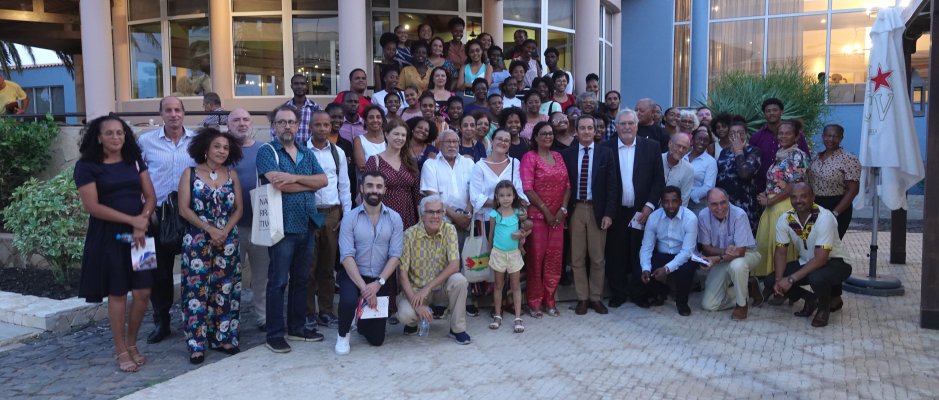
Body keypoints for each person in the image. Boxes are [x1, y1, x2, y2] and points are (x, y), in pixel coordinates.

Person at [75, 115, 156, 372]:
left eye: (120, 133)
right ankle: (120, 349)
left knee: (143, 292)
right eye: (109, 133)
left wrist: (141, 221)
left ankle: (132, 343)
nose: (115, 137)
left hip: (141, 236)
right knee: (118, 292)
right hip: (109, 237)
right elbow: (93, 206)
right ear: (98, 137)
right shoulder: (87, 166)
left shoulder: (134, 160)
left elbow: (151, 196)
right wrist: (133, 220)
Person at [256, 105, 329, 353]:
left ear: (298, 125)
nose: (287, 126)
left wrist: (295, 178)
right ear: (274, 126)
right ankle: (274, 333)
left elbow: (323, 181)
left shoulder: (307, 153)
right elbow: (278, 184)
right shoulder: (267, 151)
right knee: (278, 282)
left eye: (291, 122)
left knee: (301, 279)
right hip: (281, 227)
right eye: (281, 122)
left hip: (307, 224)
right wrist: (306, 184)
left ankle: (297, 328)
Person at [177, 127, 244, 364]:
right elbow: (183, 208)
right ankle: (197, 343)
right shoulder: (190, 173)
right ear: (205, 148)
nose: (222, 151)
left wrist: (224, 231)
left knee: (225, 289)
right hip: (197, 241)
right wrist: (210, 229)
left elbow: (239, 209)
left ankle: (224, 337)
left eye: (226, 147)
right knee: (197, 291)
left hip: (227, 241)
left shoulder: (232, 175)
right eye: (217, 146)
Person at [137, 96, 197, 344]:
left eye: (177, 110)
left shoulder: (196, 140)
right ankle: (161, 321)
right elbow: (135, 175)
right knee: (151, 272)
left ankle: (195, 319)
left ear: (184, 113)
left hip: (188, 215)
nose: (173, 114)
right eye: (168, 110)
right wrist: (144, 209)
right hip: (153, 215)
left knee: (194, 270)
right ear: (161, 113)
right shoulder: (145, 141)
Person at [335, 171, 403, 354]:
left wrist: (377, 284)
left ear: (385, 190)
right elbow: (346, 256)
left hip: (379, 279)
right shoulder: (350, 217)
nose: (375, 190)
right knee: (349, 300)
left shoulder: (395, 218)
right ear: (362, 188)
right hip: (354, 275)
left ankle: (361, 322)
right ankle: (343, 334)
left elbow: (395, 255)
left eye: (379, 186)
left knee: (377, 340)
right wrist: (364, 288)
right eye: (370, 186)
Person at [766, 183, 853, 327]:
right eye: (794, 197)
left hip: (836, 262)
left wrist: (791, 279)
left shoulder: (825, 217)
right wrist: (779, 280)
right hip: (807, 262)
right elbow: (781, 252)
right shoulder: (785, 219)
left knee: (816, 278)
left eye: (803, 196)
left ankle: (823, 309)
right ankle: (810, 299)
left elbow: (821, 259)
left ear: (813, 197)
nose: (798, 200)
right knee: (770, 280)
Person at [602, 109, 664, 308]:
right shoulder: (605, 147)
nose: (627, 127)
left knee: (640, 253)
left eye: (631, 123)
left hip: (642, 212)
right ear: (617, 126)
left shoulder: (652, 147)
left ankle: (639, 293)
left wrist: (649, 206)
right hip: (616, 212)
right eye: (623, 124)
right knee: (615, 254)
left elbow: (658, 181)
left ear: (637, 125)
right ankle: (618, 293)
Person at [562, 115, 618, 315]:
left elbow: (613, 186)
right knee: (577, 257)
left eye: (590, 128)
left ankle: (595, 298)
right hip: (576, 209)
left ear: (596, 131)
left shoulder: (606, 153)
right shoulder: (567, 154)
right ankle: (582, 298)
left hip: (597, 209)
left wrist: (609, 213)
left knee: (597, 257)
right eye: (582, 128)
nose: (586, 132)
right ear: (576, 131)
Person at [397, 196, 471, 344]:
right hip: (417, 291)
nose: (436, 216)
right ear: (422, 214)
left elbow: (455, 265)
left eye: (439, 212)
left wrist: (428, 287)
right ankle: (413, 323)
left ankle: (457, 329)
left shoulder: (449, 230)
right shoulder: (409, 235)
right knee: (406, 314)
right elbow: (402, 275)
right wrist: (416, 304)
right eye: (431, 212)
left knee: (460, 281)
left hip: (440, 288)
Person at [304, 111, 353, 330]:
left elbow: (344, 185)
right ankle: (308, 313)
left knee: (327, 265)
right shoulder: (301, 151)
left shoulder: (338, 152)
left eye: (326, 124)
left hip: (332, 212)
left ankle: (325, 310)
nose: (323, 128)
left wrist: (347, 215)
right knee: (308, 266)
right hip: (309, 212)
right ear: (310, 126)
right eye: (318, 125)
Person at [520, 121, 570, 318]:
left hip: (558, 219)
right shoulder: (529, 157)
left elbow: (568, 185)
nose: (548, 136)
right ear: (536, 137)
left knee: (555, 261)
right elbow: (527, 188)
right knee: (536, 261)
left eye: (550, 133)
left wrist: (562, 210)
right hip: (538, 219)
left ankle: (550, 301)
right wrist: (547, 212)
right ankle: (534, 303)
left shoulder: (558, 156)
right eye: (543, 133)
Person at [227, 108, 271, 331]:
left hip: (260, 223)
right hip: (232, 227)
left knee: (262, 275)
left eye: (245, 119)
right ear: (228, 125)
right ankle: (229, 317)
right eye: (236, 120)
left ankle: (263, 317)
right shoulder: (222, 149)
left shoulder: (264, 149)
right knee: (230, 276)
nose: (241, 123)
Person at [755, 120, 807, 298]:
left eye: (788, 133)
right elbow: (776, 183)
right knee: (768, 246)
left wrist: (771, 201)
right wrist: (765, 196)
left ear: (796, 136)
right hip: (772, 206)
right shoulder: (780, 155)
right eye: (781, 133)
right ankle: (773, 286)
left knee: (781, 248)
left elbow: (793, 186)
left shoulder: (797, 155)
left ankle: (783, 290)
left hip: (783, 206)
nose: (783, 136)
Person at [697, 188, 762, 320]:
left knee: (737, 265)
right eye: (714, 204)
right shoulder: (703, 215)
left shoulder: (739, 214)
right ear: (707, 204)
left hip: (748, 254)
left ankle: (742, 305)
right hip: (723, 258)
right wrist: (723, 252)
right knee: (709, 305)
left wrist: (718, 258)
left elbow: (740, 252)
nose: (719, 207)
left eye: (723, 202)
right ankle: (748, 288)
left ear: (728, 200)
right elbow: (706, 248)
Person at [638, 186, 698, 316]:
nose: (670, 205)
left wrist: (666, 269)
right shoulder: (654, 217)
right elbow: (646, 246)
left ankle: (682, 302)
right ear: (661, 202)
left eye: (674, 201)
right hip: (662, 254)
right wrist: (646, 268)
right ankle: (662, 291)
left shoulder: (690, 218)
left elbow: (687, 252)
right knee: (641, 270)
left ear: (680, 202)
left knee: (685, 269)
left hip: (683, 255)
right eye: (666, 201)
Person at [487, 181, 529, 333]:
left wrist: (522, 234)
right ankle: (498, 315)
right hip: (498, 254)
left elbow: (527, 228)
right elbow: (491, 234)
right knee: (498, 285)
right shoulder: (495, 214)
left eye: (509, 195)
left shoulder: (518, 213)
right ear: (497, 198)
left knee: (515, 286)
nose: (506, 198)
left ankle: (518, 318)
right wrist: (489, 250)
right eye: (502, 196)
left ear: (514, 196)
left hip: (514, 254)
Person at [421, 129, 475, 248]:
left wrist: (467, 214)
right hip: (441, 223)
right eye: (448, 142)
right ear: (440, 144)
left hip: (467, 222)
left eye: (455, 142)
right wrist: (456, 217)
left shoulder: (469, 163)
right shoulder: (430, 164)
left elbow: (475, 190)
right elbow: (433, 196)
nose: (452, 145)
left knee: (467, 263)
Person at [364, 119, 421, 229]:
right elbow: (366, 193)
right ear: (386, 135)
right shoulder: (374, 161)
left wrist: (420, 221)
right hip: (382, 215)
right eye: (396, 134)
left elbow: (416, 194)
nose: (400, 138)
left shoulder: (410, 162)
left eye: (403, 135)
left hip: (408, 216)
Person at [808, 124, 861, 239]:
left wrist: (835, 213)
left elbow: (853, 189)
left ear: (841, 138)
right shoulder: (815, 158)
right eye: (827, 136)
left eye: (835, 136)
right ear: (823, 137)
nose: (831, 139)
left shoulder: (848, 159)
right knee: (813, 242)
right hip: (815, 205)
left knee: (830, 246)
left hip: (837, 205)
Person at [749, 98, 810, 190]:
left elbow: (805, 165)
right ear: (764, 114)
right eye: (768, 111)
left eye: (775, 110)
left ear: (781, 111)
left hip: (790, 191)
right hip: (763, 187)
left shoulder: (797, 136)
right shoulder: (756, 137)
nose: (771, 113)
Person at [716, 119, 762, 235]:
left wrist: (738, 151)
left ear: (746, 134)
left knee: (744, 243)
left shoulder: (754, 151)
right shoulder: (724, 152)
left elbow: (745, 174)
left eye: (740, 133)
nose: (736, 137)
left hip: (745, 204)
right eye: (732, 134)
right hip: (725, 204)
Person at [275, 74, 321, 145]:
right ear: (291, 86)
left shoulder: (315, 108)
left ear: (307, 86)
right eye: (296, 84)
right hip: (287, 150)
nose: (299, 86)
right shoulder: (284, 109)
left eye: (302, 84)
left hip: (309, 151)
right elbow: (275, 131)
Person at [687, 127, 718, 213]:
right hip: (678, 202)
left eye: (706, 140)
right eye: (699, 139)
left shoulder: (711, 162)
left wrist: (688, 196)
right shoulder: (683, 157)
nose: (702, 142)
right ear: (692, 140)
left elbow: (708, 187)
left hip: (698, 205)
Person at [662, 134, 694, 207]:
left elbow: (684, 198)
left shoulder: (688, 169)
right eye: (678, 146)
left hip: (672, 211)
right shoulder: (657, 160)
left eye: (684, 148)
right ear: (670, 143)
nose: (680, 150)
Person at [352, 106, 387, 172]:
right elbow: (362, 166)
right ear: (365, 121)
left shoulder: (388, 138)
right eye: (371, 117)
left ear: (382, 120)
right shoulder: (359, 140)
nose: (375, 120)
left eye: (378, 117)